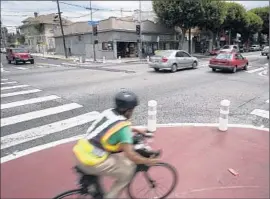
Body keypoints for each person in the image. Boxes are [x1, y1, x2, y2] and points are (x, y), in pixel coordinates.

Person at [73, 90, 159, 198]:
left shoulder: (108, 112)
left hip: (80, 152)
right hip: (91, 161)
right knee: (128, 171)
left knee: (117, 157)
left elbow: (110, 127)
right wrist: (148, 161)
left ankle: (92, 184)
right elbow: (131, 155)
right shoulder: (123, 128)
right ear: (129, 110)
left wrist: (135, 128)